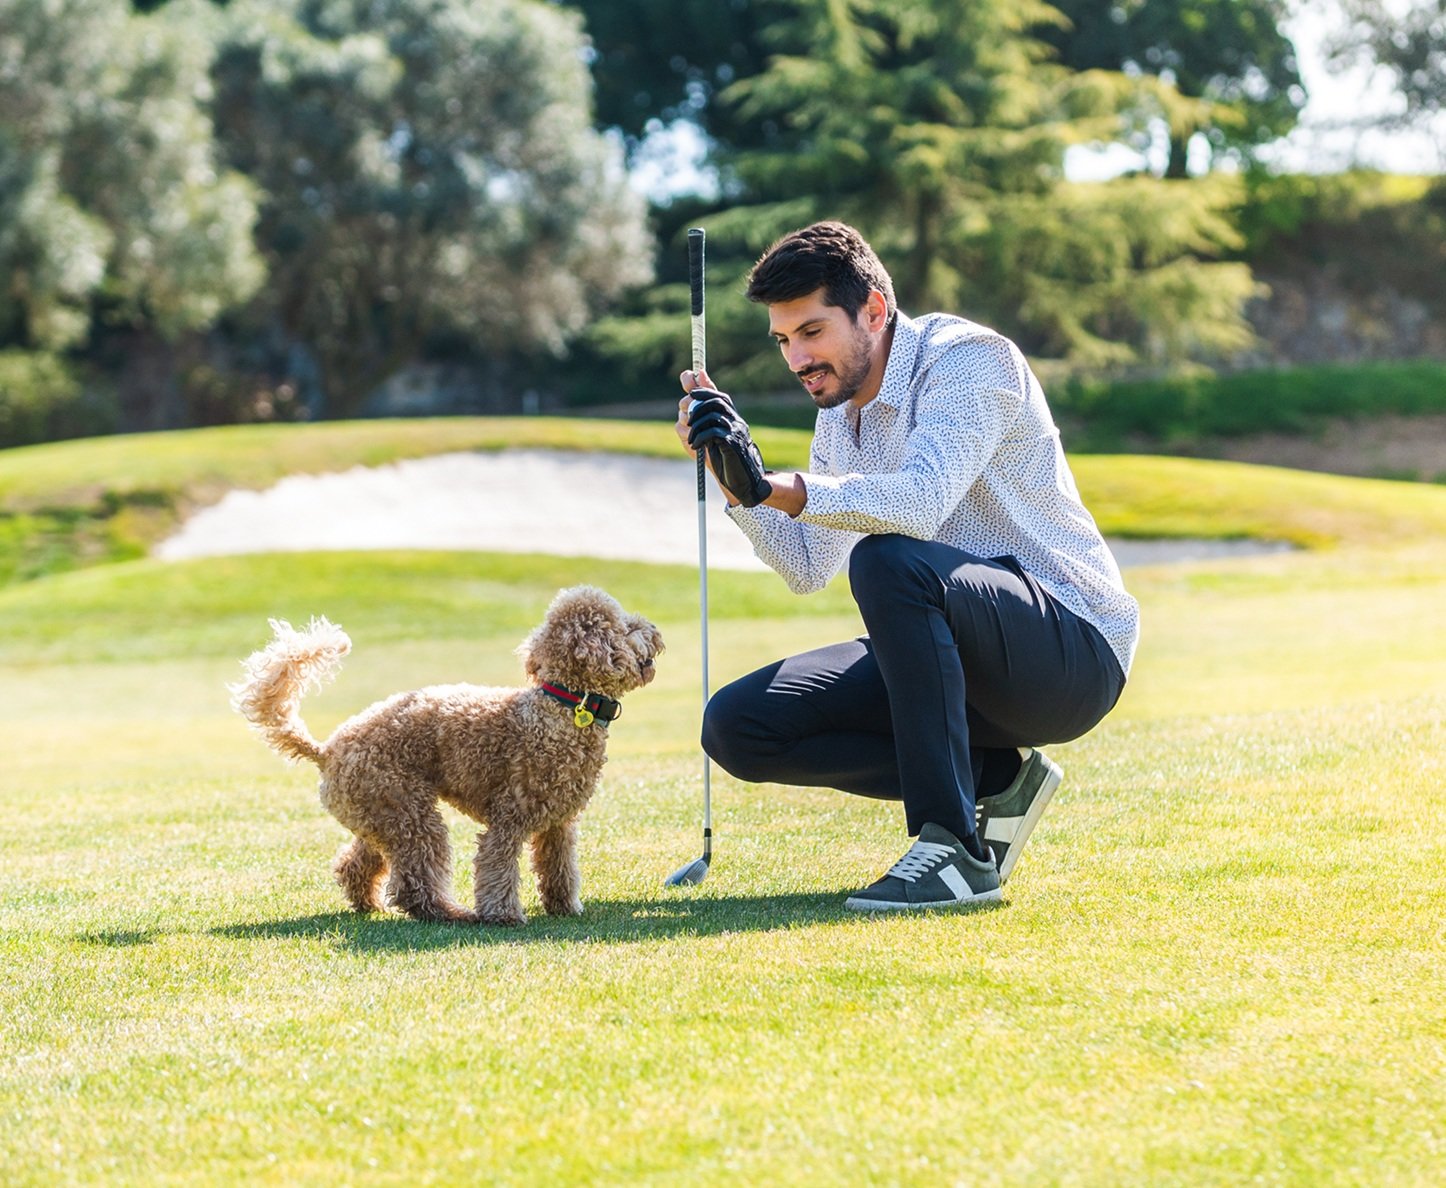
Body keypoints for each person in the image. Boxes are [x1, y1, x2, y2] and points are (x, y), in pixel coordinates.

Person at [675, 220, 1139, 912]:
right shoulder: (839, 413)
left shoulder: (970, 360)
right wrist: (734, 479)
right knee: (738, 727)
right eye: (784, 341)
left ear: (873, 311)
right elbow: (805, 565)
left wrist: (774, 485)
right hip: (958, 655)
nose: (797, 359)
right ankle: (994, 782)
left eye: (811, 331)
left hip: (1072, 652)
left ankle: (952, 849)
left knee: (889, 560)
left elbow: (921, 503)